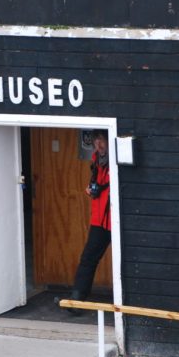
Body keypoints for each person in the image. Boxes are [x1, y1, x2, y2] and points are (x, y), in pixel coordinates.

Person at [67, 131, 111, 315]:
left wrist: (99, 188)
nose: (98, 145)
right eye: (95, 141)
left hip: (114, 218)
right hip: (99, 219)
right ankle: (77, 301)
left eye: (101, 140)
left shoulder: (113, 161)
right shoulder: (97, 162)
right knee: (88, 259)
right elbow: (97, 186)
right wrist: (92, 189)